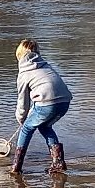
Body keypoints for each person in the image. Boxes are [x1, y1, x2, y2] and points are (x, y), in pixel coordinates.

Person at [13, 38, 72, 175]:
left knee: (27, 129)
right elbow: (47, 86)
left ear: (19, 55)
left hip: (49, 102)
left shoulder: (23, 73)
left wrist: (22, 119)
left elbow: (23, 102)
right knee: (45, 126)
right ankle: (58, 162)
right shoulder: (45, 65)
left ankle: (16, 167)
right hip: (64, 101)